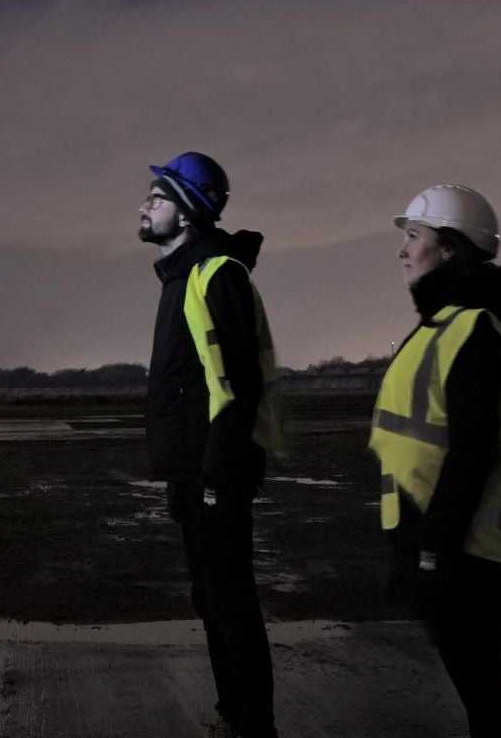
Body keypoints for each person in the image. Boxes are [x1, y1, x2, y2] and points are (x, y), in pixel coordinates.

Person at [369, 184, 501, 738]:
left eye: (413, 237)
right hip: (441, 539)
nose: (402, 251)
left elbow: (473, 448)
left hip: (462, 548)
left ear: (449, 248)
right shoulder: (441, 327)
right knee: (476, 686)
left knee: (481, 692)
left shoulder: (471, 329)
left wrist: (433, 547)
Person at [140, 151, 284, 738]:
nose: (144, 205)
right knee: (211, 600)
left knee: (231, 602)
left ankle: (254, 724)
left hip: (216, 473)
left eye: (157, 197)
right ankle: (234, 713)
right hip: (192, 471)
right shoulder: (182, 278)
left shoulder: (216, 274)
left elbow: (241, 386)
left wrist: (217, 478)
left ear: (188, 211)